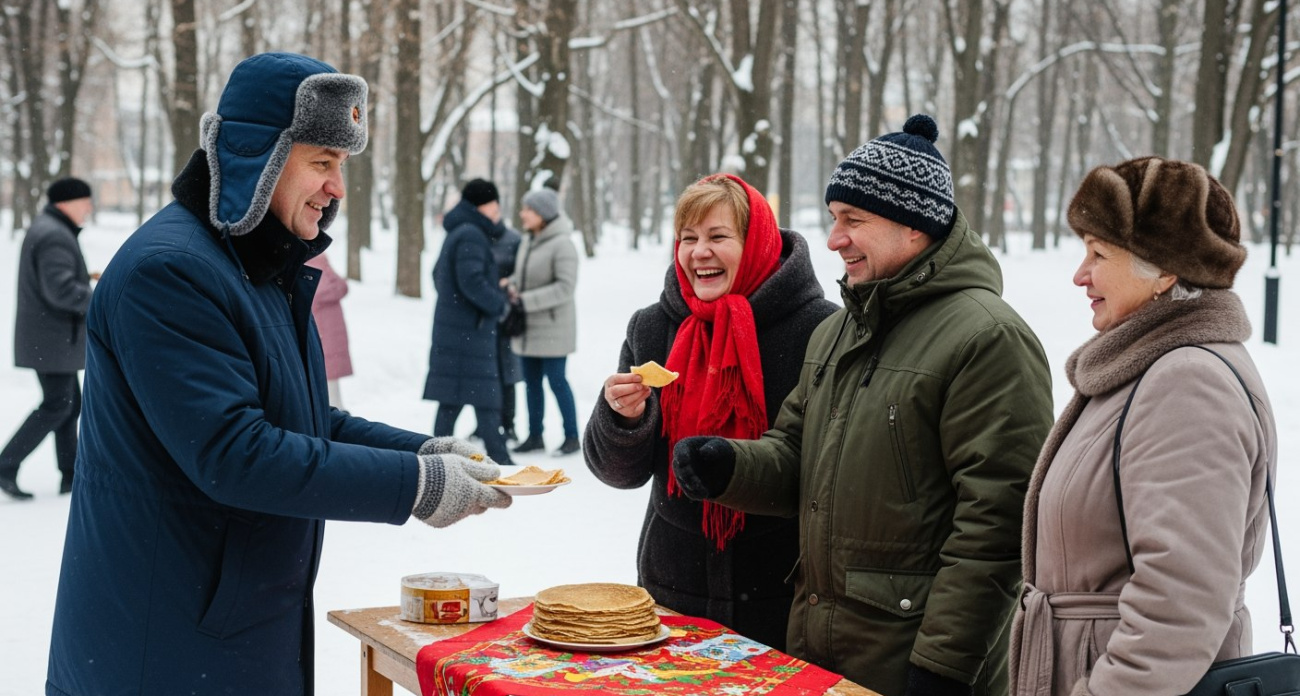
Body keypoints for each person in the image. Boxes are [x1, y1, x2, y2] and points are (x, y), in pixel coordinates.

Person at [45, 52, 511, 696]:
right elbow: (236, 455)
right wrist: (417, 486)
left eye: (341, 166)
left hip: (230, 625)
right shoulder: (172, 272)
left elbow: (306, 419)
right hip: (166, 643)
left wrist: (426, 452)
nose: (338, 188)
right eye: (322, 162)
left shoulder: (254, 267)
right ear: (254, 159)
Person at [670, 115, 1054, 696]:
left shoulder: (987, 338)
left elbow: (997, 523)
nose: (833, 239)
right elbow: (798, 452)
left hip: (916, 662)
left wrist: (945, 665)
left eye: (855, 221)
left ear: (914, 228)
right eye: (833, 219)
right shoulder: (838, 332)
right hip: (823, 652)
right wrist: (730, 467)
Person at [1009, 157, 1278, 696]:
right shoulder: (1148, 367)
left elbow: (1180, 605)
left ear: (1165, 269)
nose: (1079, 274)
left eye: (1099, 253)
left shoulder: (1186, 383)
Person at [585, 173, 837, 650]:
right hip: (670, 587)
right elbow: (618, 473)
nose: (699, 251)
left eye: (719, 237)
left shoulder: (817, 328)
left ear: (757, 242)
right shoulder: (653, 325)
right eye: (688, 238)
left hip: (785, 593)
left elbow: (823, 469)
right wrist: (623, 420)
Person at [0, 177, 95, 500]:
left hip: (51, 338)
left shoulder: (50, 229)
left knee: (69, 404)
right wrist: (99, 297)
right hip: (52, 339)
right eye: (85, 202)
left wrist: (85, 276)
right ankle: (6, 464)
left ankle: (70, 475)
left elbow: (58, 281)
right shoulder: (55, 235)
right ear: (67, 203)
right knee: (59, 405)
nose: (89, 209)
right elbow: (61, 291)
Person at [424, 178, 515, 466]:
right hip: (470, 333)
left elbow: (440, 275)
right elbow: (472, 282)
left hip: (459, 331)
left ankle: (437, 458)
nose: (497, 210)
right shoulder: (471, 234)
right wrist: (498, 304)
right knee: (484, 398)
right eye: (494, 203)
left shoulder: (460, 232)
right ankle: (500, 461)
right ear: (483, 205)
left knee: (454, 399)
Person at [507, 187, 581, 456]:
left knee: (557, 381)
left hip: (553, 329)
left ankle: (572, 435)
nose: (522, 214)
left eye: (528, 209)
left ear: (543, 214)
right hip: (528, 328)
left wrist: (525, 299)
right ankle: (535, 435)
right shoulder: (529, 240)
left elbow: (565, 287)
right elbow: (523, 275)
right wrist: (512, 284)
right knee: (531, 383)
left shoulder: (563, 244)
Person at [484, 220, 523, 444]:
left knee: (508, 373)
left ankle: (509, 424)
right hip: (483, 318)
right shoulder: (475, 236)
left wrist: (508, 284)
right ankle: (485, 423)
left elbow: (522, 272)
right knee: (486, 374)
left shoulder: (513, 239)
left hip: (507, 318)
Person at [304, 252, 353, 409]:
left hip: (326, 337)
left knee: (329, 388)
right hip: (327, 337)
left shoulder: (312, 266)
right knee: (331, 387)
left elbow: (338, 288)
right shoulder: (319, 266)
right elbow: (339, 287)